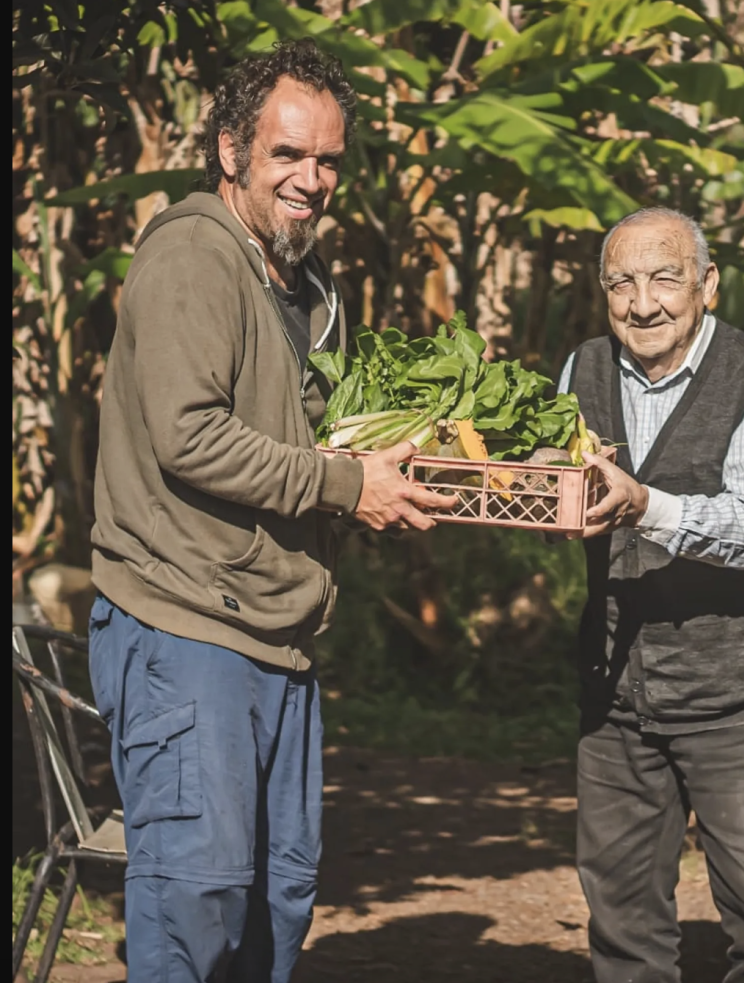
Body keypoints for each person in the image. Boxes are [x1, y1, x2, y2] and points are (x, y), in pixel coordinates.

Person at [88, 39, 453, 982]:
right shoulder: (193, 256)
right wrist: (346, 484)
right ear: (229, 150)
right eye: (286, 154)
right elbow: (189, 435)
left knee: (276, 899)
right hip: (185, 627)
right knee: (195, 899)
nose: (310, 178)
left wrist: (404, 467)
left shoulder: (299, 285)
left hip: (274, 637)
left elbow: (295, 443)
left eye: (327, 159)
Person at [559, 207, 744, 983]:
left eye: (664, 278)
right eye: (622, 282)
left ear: (705, 283)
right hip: (617, 693)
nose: (643, 303)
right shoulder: (582, 370)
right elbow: (562, 493)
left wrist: (644, 504)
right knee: (621, 915)